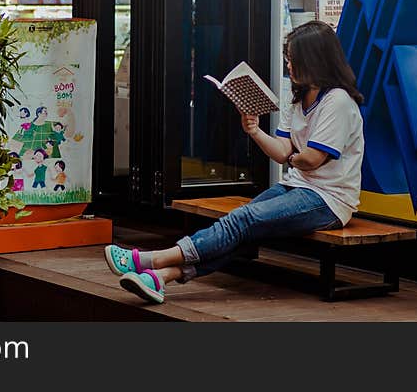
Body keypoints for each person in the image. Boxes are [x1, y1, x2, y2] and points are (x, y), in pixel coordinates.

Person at [104, 20, 365, 304]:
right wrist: (254, 130)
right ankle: (160, 278)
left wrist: (294, 158)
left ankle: (149, 260)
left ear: (315, 61)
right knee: (242, 228)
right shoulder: (299, 97)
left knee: (244, 219)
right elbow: (283, 153)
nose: (289, 65)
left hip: (329, 200)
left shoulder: (337, 102)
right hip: (297, 186)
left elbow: (312, 159)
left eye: (294, 59)